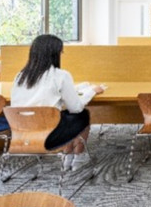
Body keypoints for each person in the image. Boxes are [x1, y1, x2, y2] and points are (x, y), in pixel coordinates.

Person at [9, 34, 105, 171]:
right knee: (81, 114)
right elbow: (76, 108)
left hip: (22, 134)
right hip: (51, 136)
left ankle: (68, 156)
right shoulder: (60, 75)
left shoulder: (20, 76)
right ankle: (78, 156)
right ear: (54, 54)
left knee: (65, 115)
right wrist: (92, 91)